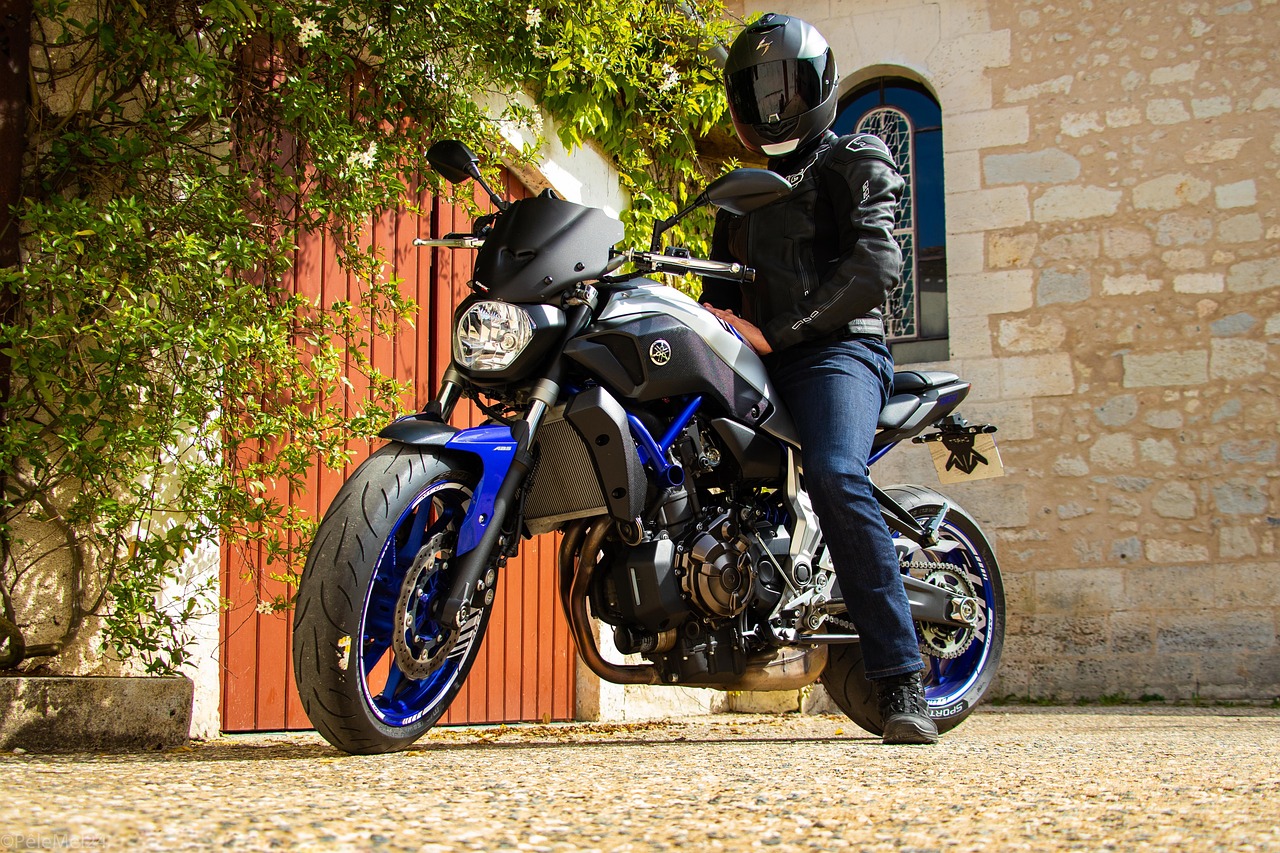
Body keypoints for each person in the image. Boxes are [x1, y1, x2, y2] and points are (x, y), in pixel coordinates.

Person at [700, 13, 937, 744]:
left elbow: (877, 266)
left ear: (818, 83)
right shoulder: (738, 191)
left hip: (837, 352)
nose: (772, 102)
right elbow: (720, 293)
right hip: (761, 358)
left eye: (785, 84)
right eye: (756, 88)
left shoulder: (853, 155)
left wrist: (781, 332)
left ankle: (900, 678)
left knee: (835, 472)